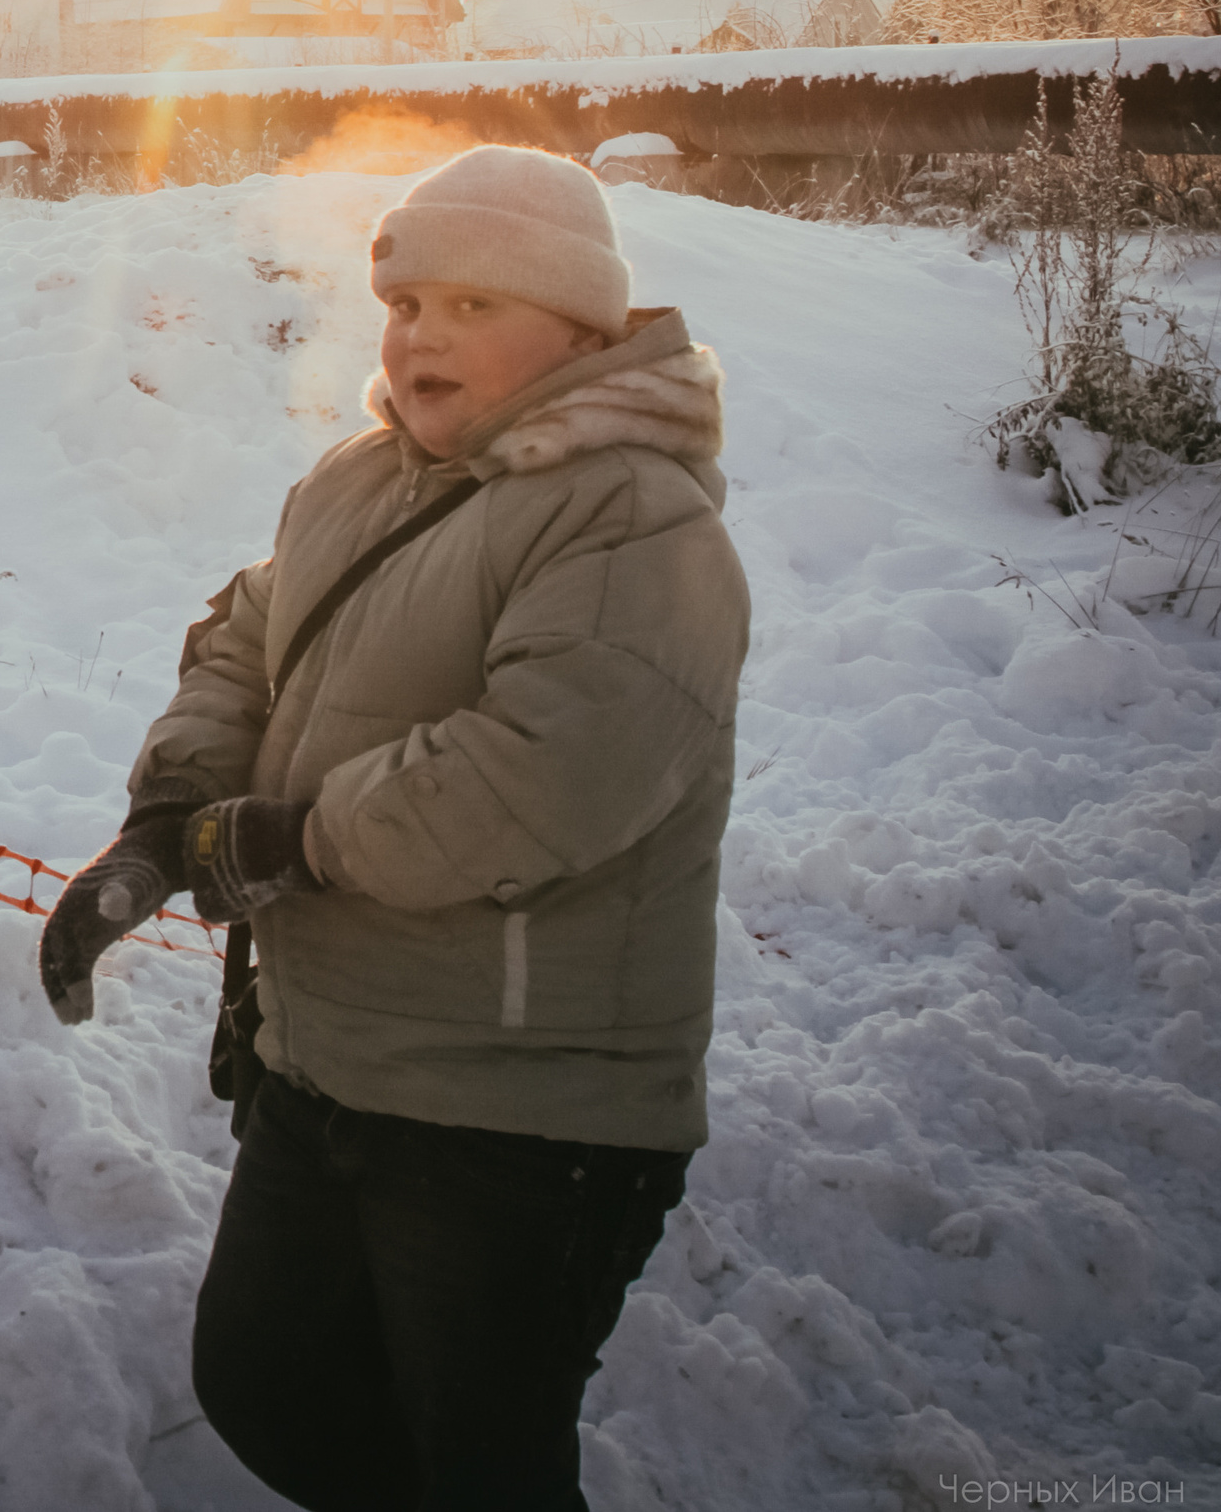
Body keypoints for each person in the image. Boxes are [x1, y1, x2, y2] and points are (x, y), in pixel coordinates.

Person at [39, 145, 748, 1510]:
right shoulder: (358, 481)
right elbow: (248, 649)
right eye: (409, 302)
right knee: (264, 1382)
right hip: (328, 1065)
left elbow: (541, 775)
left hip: (525, 1117)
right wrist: (165, 822)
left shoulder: (635, 518)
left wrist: (291, 843)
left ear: (582, 329)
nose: (423, 336)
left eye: (475, 306)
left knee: (478, 1462)